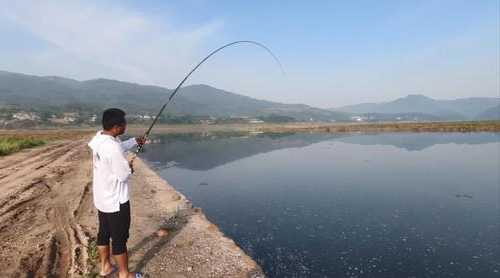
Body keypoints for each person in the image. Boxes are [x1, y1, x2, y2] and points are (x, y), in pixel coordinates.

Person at [88, 108, 146, 278]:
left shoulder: (99, 138)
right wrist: (130, 168)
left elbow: (117, 146)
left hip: (102, 198)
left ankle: (105, 267)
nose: (125, 126)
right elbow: (124, 175)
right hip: (116, 201)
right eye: (124, 124)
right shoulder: (112, 148)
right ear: (116, 127)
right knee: (120, 239)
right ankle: (124, 274)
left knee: (104, 234)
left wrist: (134, 141)